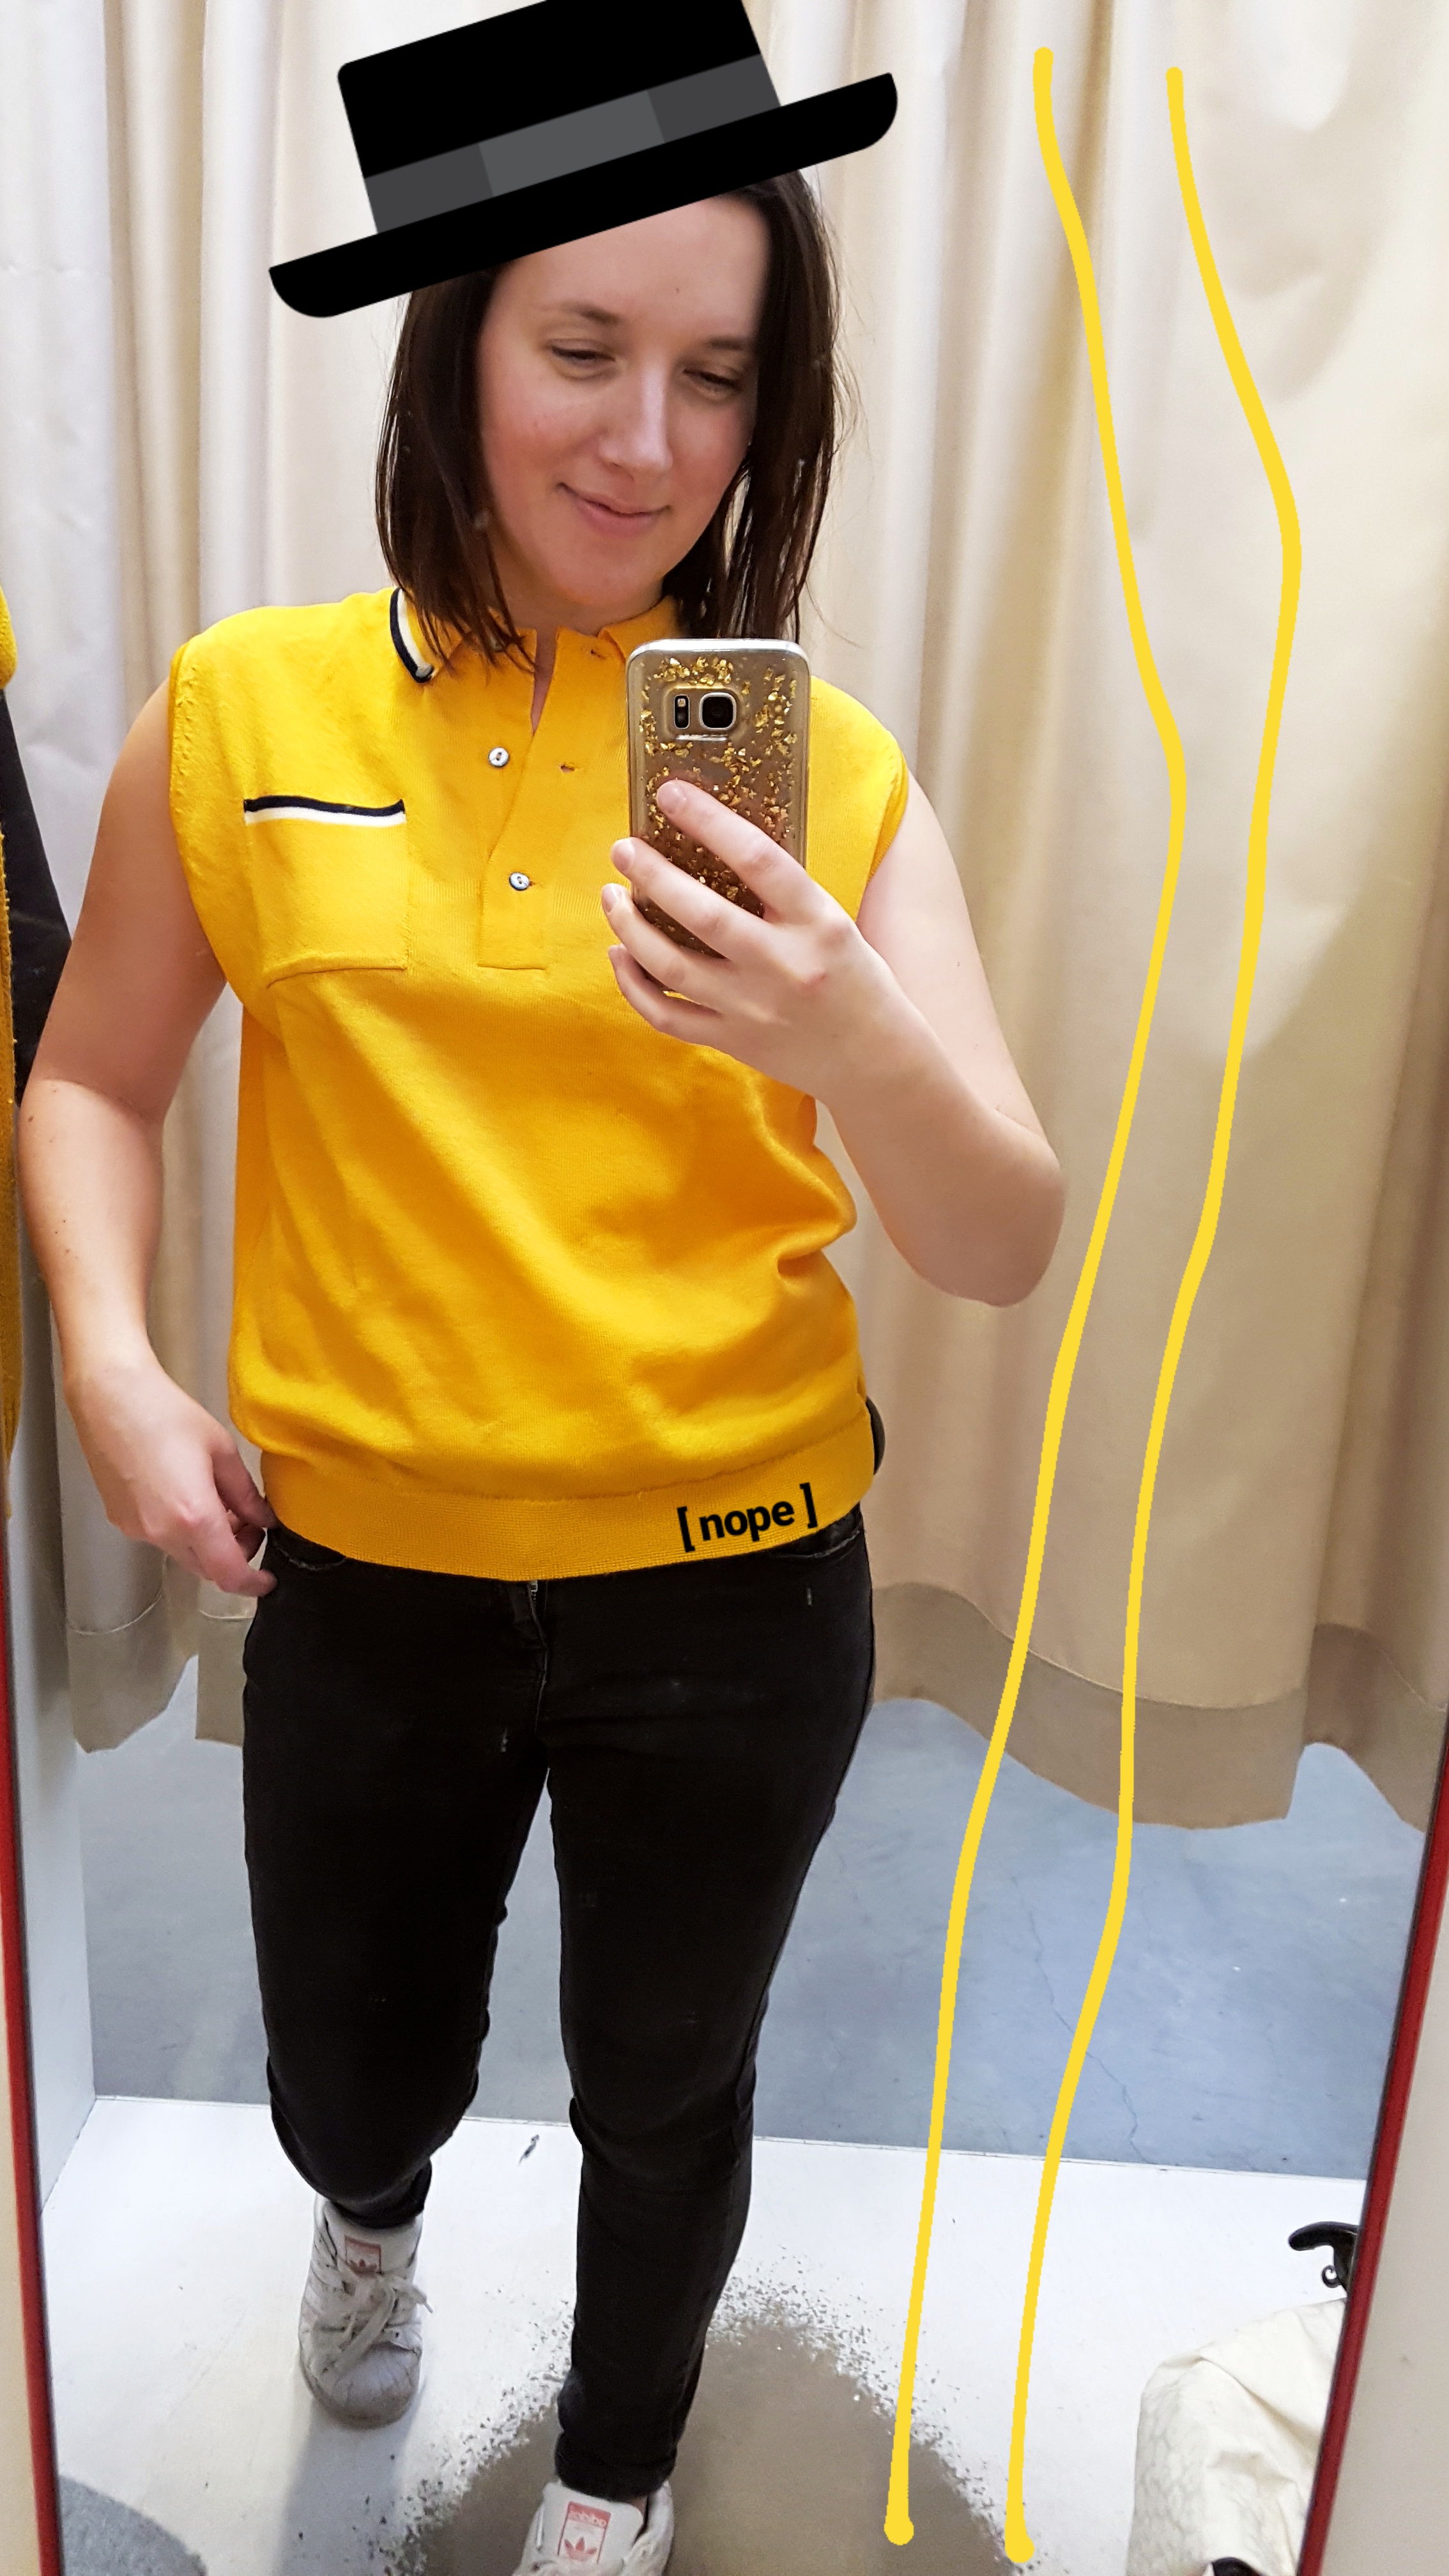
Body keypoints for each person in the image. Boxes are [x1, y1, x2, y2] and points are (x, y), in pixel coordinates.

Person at [20, 146, 1062, 2576]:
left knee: (667, 2084)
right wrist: (111, 1368)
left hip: (733, 1575)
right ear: (456, 350)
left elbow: (997, 1235)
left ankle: (612, 2471)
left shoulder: (806, 760)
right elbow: (91, 1077)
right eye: (581, 351)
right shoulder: (241, 708)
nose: (644, 440)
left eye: (718, 377)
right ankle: (365, 2214)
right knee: (346, 2063)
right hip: (361, 1570)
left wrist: (845, 1024)